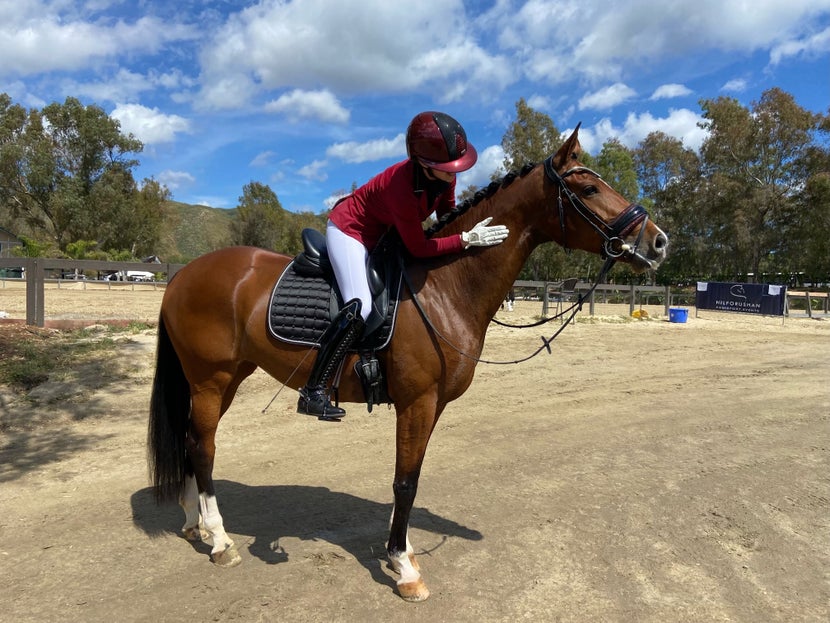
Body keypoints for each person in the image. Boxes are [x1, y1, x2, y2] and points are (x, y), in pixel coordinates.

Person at [298, 111, 510, 420]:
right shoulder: (401, 188)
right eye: (448, 170)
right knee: (361, 305)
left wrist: (470, 231)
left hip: (385, 235)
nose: (454, 175)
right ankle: (314, 390)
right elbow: (419, 247)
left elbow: (447, 218)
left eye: (456, 168)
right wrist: (465, 240)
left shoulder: (444, 176)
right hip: (351, 232)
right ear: (424, 164)